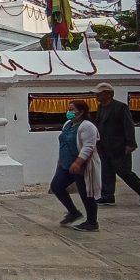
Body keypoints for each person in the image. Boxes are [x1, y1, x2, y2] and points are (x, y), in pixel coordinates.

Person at [92, 82, 140, 206]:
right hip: (104, 145)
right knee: (106, 171)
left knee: (124, 172)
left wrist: (130, 143)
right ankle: (107, 195)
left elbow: (128, 126)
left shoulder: (120, 107)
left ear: (108, 94)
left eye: (99, 94)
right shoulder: (101, 107)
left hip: (119, 146)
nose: (96, 96)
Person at [49, 99, 101, 232]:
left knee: (86, 193)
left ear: (81, 111)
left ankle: (92, 222)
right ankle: (73, 212)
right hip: (66, 164)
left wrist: (78, 162)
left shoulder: (87, 126)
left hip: (82, 165)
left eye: (72, 109)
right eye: (69, 109)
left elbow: (88, 146)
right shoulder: (68, 124)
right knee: (57, 186)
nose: (69, 112)